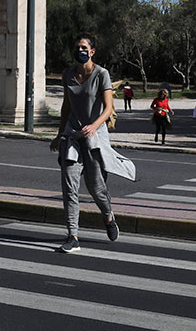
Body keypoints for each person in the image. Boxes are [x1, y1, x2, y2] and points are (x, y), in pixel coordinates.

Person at [50, 32, 136, 253]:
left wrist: (95, 126)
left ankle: (108, 216)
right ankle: (73, 236)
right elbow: (66, 107)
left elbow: (108, 108)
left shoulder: (101, 74)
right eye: (77, 47)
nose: (80, 51)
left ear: (92, 51)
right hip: (72, 136)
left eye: (84, 47)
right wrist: (59, 134)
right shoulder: (68, 74)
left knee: (96, 187)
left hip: (95, 136)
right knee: (69, 188)